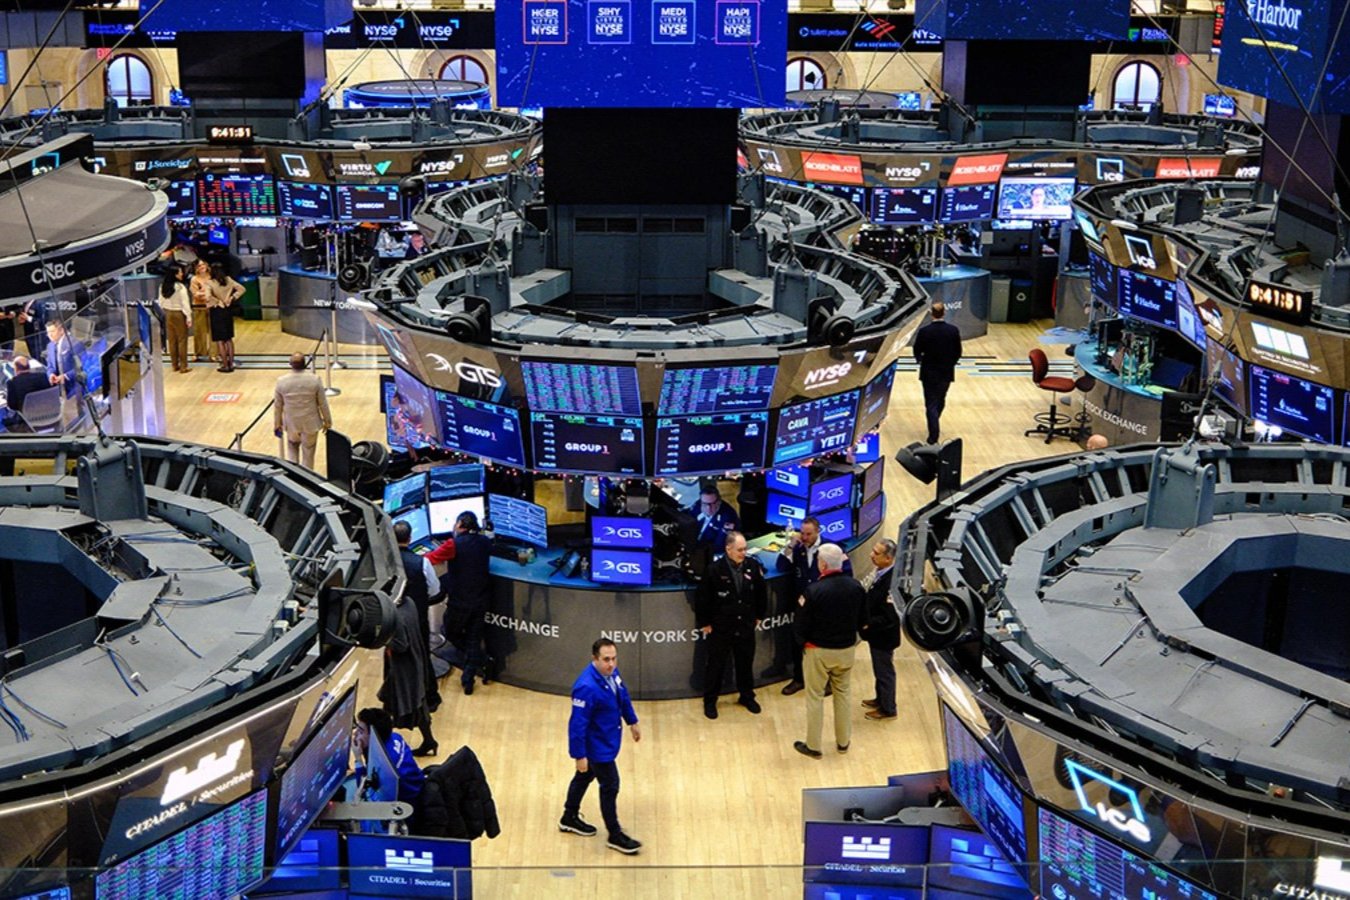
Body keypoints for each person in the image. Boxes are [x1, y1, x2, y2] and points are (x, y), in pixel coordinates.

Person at [559, 638, 642, 855]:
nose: (611, 664)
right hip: (597, 747)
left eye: (614, 658)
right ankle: (614, 834)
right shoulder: (586, 687)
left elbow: (622, 696)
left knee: (584, 777)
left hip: (606, 741)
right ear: (595, 659)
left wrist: (632, 721)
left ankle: (569, 816)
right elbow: (577, 725)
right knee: (610, 785)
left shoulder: (611, 673)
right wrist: (579, 755)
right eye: (606, 659)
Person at [793, 543, 867, 759]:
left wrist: (803, 644)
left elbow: (800, 624)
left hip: (818, 651)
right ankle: (843, 742)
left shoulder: (813, 591)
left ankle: (814, 746)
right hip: (846, 650)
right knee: (843, 694)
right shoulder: (856, 587)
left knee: (815, 697)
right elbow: (864, 620)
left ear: (822, 564)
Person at [695, 530, 767, 719]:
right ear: (728, 549)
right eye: (740, 549)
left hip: (745, 626)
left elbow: (761, 592)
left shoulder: (752, 566)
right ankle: (710, 701)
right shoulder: (714, 570)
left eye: (745, 549)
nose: (743, 553)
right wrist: (705, 622)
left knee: (745, 664)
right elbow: (703, 598)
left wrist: (759, 615)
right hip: (721, 628)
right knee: (715, 666)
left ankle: (747, 696)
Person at [776, 516, 850, 695]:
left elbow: (847, 574)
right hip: (803, 606)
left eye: (808, 534)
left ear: (818, 531)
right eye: (802, 533)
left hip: (825, 606)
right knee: (798, 642)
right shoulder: (798, 549)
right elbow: (780, 565)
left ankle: (828, 682)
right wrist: (790, 545)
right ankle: (799, 679)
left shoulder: (832, 549)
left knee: (824, 646)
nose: (805, 537)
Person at [426, 510, 493, 696]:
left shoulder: (453, 544)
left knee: (450, 632)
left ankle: (479, 659)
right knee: (473, 638)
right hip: (481, 600)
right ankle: (469, 680)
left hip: (460, 603)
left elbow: (429, 559)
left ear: (461, 525)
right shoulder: (485, 542)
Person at [389, 519, 439, 757]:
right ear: (410, 537)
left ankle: (388, 733)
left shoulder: (386, 563)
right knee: (421, 661)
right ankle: (430, 698)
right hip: (416, 617)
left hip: (393, 626)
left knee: (402, 677)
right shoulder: (422, 562)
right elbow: (434, 590)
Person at [860, 539, 901, 721]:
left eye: (876, 553)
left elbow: (890, 617)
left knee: (884, 672)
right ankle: (880, 699)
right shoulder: (880, 572)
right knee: (879, 670)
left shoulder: (892, 583)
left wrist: (868, 623)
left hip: (883, 636)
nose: (871, 555)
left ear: (888, 558)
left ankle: (888, 708)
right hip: (875, 635)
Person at [912, 301, 963, 445]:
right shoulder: (953, 330)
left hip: (928, 372)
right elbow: (958, 351)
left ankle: (933, 431)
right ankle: (934, 428)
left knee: (931, 404)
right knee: (940, 400)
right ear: (944, 313)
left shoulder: (924, 331)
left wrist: (920, 361)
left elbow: (917, 350)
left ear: (931, 314)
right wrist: (951, 363)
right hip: (946, 372)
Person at [353, 707, 427, 805]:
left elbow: (364, 792)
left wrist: (358, 759)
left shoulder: (383, 764)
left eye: (361, 731)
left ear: (374, 737)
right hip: (419, 786)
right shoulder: (395, 737)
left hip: (407, 806)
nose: (355, 733)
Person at [273, 353, 332, 469]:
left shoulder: (281, 381)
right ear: (305, 364)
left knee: (292, 448)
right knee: (309, 452)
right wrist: (328, 421)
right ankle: (307, 478)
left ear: (291, 365)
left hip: (291, 424)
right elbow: (322, 403)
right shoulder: (315, 379)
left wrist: (277, 424)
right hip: (310, 423)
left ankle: (293, 476)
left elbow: (278, 406)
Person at [44, 319, 82, 426]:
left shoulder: (74, 344)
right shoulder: (50, 346)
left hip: (74, 387)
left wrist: (65, 376)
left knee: (72, 416)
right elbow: (50, 365)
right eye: (48, 332)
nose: (50, 335)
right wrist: (50, 374)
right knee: (65, 415)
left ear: (61, 331)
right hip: (59, 389)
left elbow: (81, 367)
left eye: (52, 332)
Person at [208, 263, 244, 372]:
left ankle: (225, 365)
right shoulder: (228, 280)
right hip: (228, 311)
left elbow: (208, 296)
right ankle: (231, 363)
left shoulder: (209, 283)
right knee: (228, 339)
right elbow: (242, 289)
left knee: (220, 340)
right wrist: (232, 298)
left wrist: (218, 302)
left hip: (216, 312)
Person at [157, 267, 192, 374]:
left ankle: (174, 365)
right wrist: (189, 317)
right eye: (180, 272)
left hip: (168, 313)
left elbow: (160, 302)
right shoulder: (180, 287)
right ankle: (183, 366)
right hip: (179, 314)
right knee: (182, 340)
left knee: (172, 340)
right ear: (175, 274)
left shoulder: (163, 286)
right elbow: (185, 303)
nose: (182, 274)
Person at [3, 357, 50, 430]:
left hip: (27, 419)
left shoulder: (12, 383)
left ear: (16, 368)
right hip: (49, 414)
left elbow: (12, 406)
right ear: (29, 366)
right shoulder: (43, 376)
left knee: (5, 419)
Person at [690, 484, 740, 551]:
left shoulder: (728, 516)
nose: (708, 508)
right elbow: (688, 519)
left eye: (712, 504)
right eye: (705, 504)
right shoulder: (698, 504)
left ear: (719, 502)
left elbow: (720, 545)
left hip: (707, 551)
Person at [189, 260, 214, 362]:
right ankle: (199, 353)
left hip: (212, 307)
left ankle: (214, 353)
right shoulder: (194, 279)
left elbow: (215, 291)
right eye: (199, 265)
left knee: (214, 332)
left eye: (203, 264)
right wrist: (207, 294)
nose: (202, 267)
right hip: (199, 307)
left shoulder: (212, 277)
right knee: (199, 331)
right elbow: (195, 294)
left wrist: (203, 293)